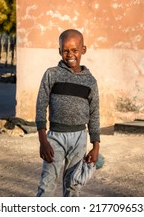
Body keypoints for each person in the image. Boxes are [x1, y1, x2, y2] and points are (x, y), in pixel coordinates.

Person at [35, 29, 100, 197]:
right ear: (59, 51)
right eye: (65, 50)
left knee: (73, 186)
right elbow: (41, 106)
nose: (70, 54)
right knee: (46, 185)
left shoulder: (90, 81)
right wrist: (43, 140)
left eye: (74, 50)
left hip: (79, 138)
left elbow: (94, 114)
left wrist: (95, 146)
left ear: (83, 50)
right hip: (55, 137)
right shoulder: (52, 74)